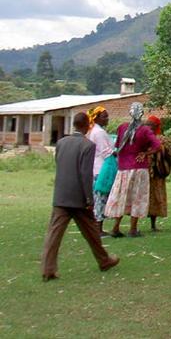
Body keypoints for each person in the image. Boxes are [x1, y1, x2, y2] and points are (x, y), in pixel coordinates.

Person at [40, 112, 119, 281]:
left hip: (61, 195)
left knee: (54, 234)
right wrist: (89, 199)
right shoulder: (87, 145)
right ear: (87, 125)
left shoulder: (61, 143)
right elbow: (85, 174)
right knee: (91, 231)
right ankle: (104, 260)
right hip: (79, 198)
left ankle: (48, 269)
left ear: (74, 124)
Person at [104, 102, 162, 238]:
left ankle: (116, 227)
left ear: (130, 113)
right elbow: (158, 146)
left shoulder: (122, 128)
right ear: (141, 114)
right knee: (137, 198)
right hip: (139, 169)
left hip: (123, 169)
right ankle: (133, 229)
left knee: (121, 197)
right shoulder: (145, 130)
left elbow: (118, 146)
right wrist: (145, 153)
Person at [85, 106, 115, 236]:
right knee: (100, 199)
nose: (107, 119)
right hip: (101, 170)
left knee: (98, 198)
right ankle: (98, 227)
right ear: (96, 118)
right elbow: (106, 152)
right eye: (105, 116)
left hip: (96, 169)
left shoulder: (95, 131)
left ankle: (97, 226)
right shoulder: (99, 133)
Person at [147, 115, 171, 232]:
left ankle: (153, 224)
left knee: (156, 198)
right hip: (145, 173)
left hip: (157, 174)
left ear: (157, 126)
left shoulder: (162, 140)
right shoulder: (144, 138)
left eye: (151, 125)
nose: (149, 127)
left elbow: (167, 155)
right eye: (147, 124)